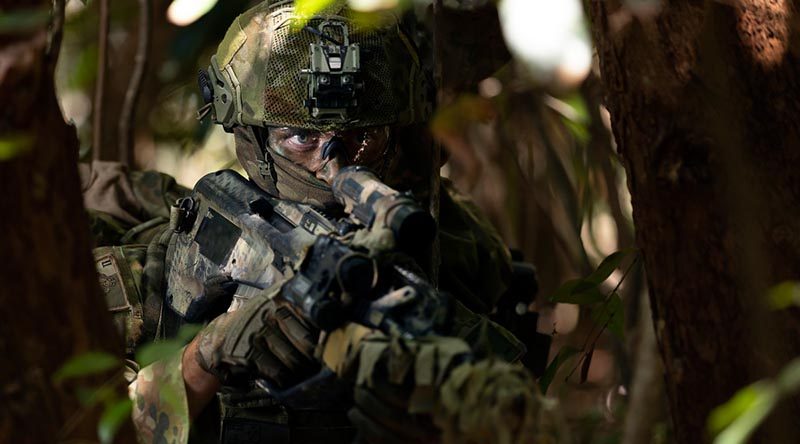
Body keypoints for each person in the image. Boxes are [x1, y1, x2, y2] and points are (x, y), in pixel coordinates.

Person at [82, 1, 553, 443]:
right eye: (302, 137)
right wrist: (205, 357)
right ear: (250, 137)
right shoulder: (153, 273)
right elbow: (85, 427)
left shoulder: (450, 243)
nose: (334, 160)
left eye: (361, 137)